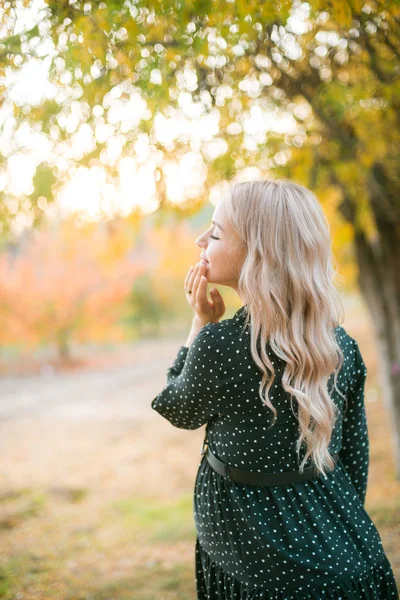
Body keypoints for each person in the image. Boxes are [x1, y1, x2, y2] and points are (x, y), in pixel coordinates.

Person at [151, 179, 399, 599]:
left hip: (261, 578)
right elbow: (353, 464)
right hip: (353, 565)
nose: (200, 240)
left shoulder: (218, 344)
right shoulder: (341, 347)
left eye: (213, 233)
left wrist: (199, 324)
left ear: (257, 253)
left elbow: (176, 406)